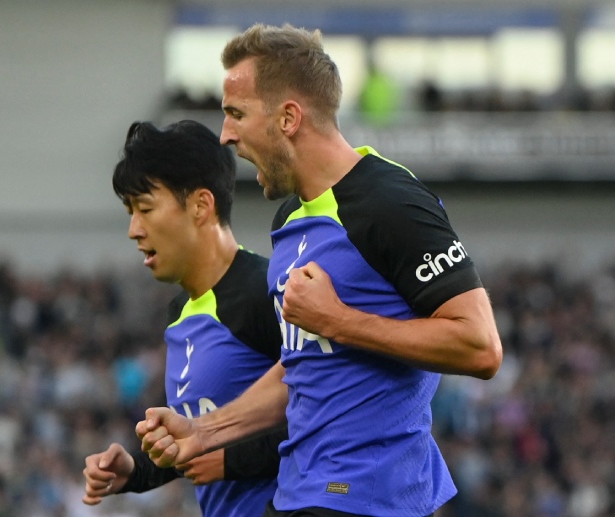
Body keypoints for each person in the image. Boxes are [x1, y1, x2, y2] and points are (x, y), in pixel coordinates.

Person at [137, 23, 504, 517]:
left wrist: (340, 321)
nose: (225, 134)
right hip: (300, 491)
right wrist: (205, 431)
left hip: (370, 499)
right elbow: (302, 364)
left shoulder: (389, 200)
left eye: (236, 114)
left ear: (288, 117)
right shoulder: (289, 219)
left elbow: (480, 346)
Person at [82, 119, 286, 517]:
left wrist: (230, 460)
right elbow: (194, 437)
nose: (133, 230)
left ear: (200, 206)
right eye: (129, 211)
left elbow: (331, 411)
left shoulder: (266, 292)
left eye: (145, 208)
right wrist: (136, 472)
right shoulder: (179, 314)